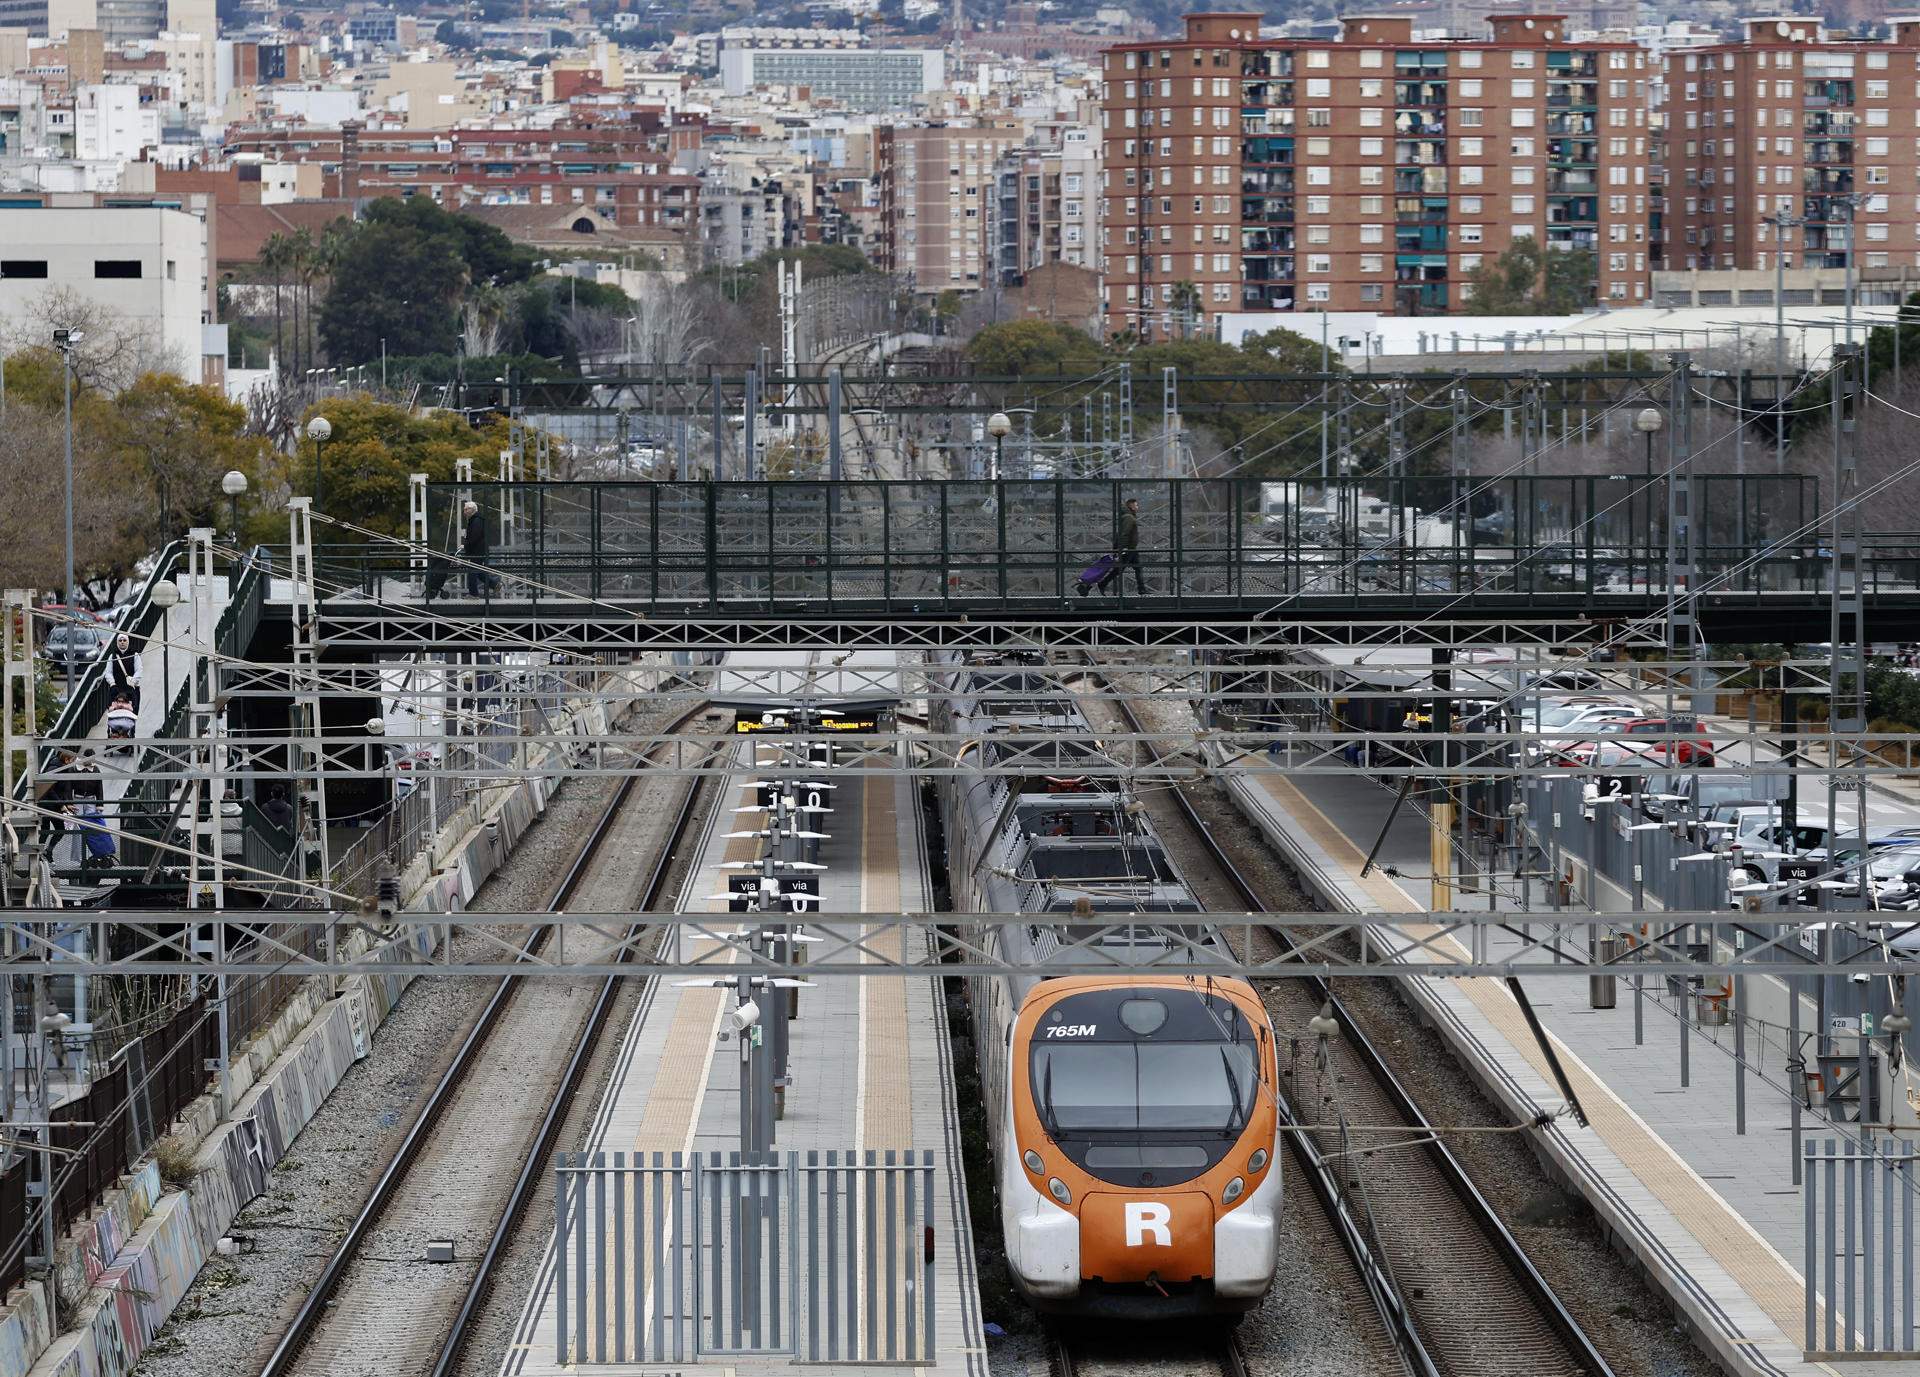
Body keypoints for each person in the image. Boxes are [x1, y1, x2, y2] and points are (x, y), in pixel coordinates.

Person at [1098, 497, 1147, 596]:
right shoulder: (1129, 517)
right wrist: (1122, 548)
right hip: (1128, 548)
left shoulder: (1128, 516)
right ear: (1132, 506)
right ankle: (1102, 583)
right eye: (1136, 505)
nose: (1138, 507)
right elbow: (1125, 534)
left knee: (1137, 568)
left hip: (1131, 548)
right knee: (1120, 569)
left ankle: (1142, 590)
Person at [460, 499, 492, 597]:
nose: (464, 512)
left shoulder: (476, 521)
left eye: (466, 509)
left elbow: (474, 536)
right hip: (479, 550)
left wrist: (465, 545)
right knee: (476, 570)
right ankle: (494, 584)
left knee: (472, 571)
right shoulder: (476, 519)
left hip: (477, 550)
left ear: (472, 509)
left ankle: (473, 594)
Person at [106, 631, 141, 711]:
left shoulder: (135, 655)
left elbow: (139, 671)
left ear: (127, 642)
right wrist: (112, 683)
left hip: (131, 691)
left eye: (124, 640)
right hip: (116, 690)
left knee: (132, 715)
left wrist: (133, 682)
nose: (122, 642)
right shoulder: (112, 656)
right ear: (117, 642)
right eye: (120, 640)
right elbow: (108, 672)